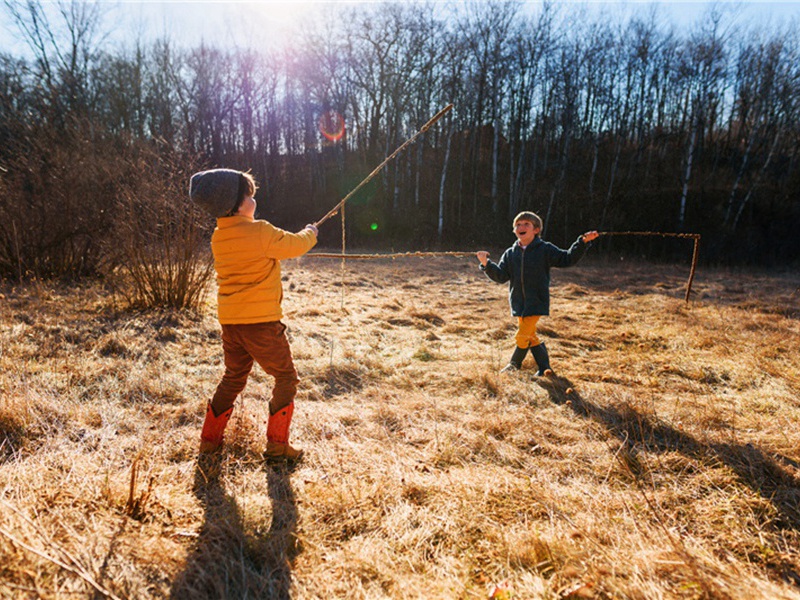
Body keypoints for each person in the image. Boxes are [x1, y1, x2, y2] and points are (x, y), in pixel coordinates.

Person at [189, 168, 318, 461]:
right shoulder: (260, 231)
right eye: (247, 194)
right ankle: (277, 447)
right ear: (234, 203)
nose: (253, 198)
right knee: (286, 378)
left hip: (231, 323)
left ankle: (209, 442)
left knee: (233, 377)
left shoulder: (218, 238)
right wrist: (311, 233)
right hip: (261, 323)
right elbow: (294, 245)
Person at [476, 211, 599, 375]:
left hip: (536, 301)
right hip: (518, 302)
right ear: (514, 230)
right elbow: (500, 277)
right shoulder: (510, 253)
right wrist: (486, 264)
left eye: (526, 224)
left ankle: (514, 365)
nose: (521, 227)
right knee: (530, 336)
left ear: (536, 229)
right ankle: (545, 368)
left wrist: (583, 242)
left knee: (521, 337)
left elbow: (567, 258)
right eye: (518, 224)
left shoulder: (545, 249)